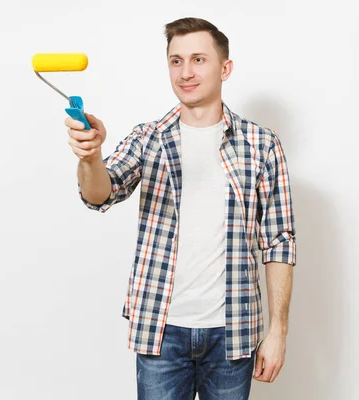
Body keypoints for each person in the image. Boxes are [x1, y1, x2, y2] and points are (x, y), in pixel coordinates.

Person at [65, 17, 296, 400]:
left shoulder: (261, 144)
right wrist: (90, 157)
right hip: (162, 329)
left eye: (198, 60)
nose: (185, 72)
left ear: (225, 68)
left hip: (232, 332)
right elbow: (100, 194)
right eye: (176, 61)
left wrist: (278, 332)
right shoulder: (148, 137)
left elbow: (279, 242)